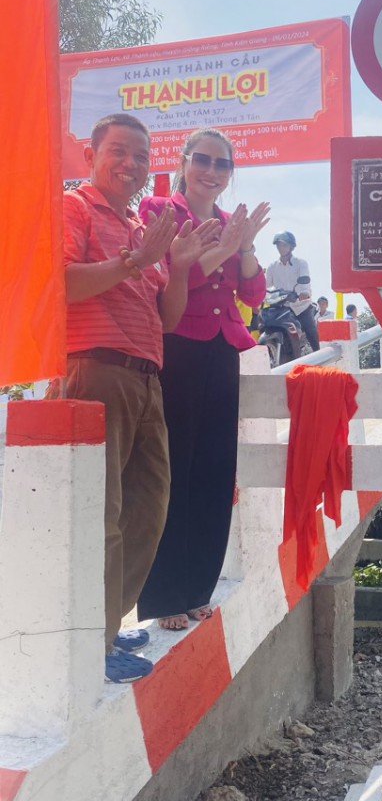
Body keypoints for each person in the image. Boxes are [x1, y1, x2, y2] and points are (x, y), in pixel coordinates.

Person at [62, 113, 218, 682]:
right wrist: (132, 262)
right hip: (97, 371)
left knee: (148, 511)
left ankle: (104, 624)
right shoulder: (74, 207)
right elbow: (61, 284)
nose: (131, 165)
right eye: (119, 151)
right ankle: (92, 644)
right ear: (90, 155)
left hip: (148, 377)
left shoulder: (137, 225)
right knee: (103, 516)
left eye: (142, 156)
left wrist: (178, 267)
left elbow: (167, 318)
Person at [137, 128, 270, 630]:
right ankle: (163, 595)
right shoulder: (159, 211)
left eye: (222, 164)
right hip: (178, 346)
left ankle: (197, 588)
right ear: (184, 162)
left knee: (215, 469)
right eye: (203, 160)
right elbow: (166, 282)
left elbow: (253, 296)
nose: (212, 172)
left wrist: (246, 246)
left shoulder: (231, 223)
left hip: (222, 348)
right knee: (173, 469)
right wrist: (223, 248)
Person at [266, 231, 319, 351]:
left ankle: (321, 356)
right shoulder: (272, 266)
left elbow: (305, 282)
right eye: (279, 245)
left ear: (291, 247)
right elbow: (266, 285)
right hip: (282, 307)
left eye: (284, 245)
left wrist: (303, 293)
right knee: (267, 325)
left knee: (311, 333)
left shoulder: (301, 263)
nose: (281, 248)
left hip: (301, 307)